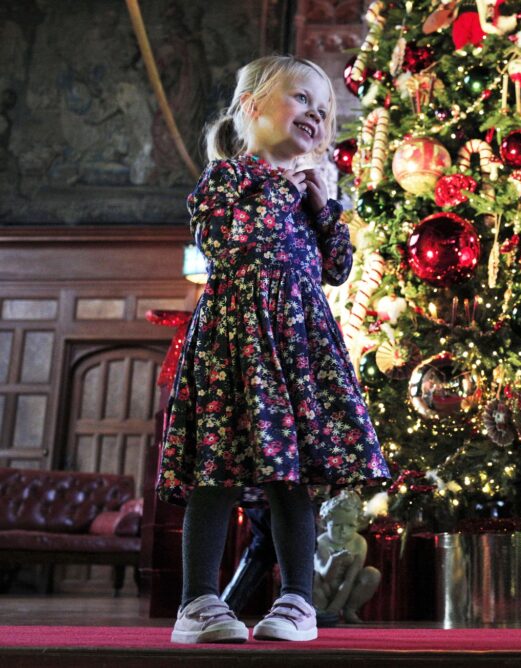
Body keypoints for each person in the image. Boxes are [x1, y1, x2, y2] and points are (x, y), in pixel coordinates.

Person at [157, 55, 390, 644]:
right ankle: (198, 605)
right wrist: (284, 191)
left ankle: (296, 603)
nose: (313, 112)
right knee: (219, 469)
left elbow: (337, 269)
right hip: (234, 344)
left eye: (321, 105)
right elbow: (230, 245)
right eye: (299, 98)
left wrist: (322, 206)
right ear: (252, 107)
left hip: (295, 345)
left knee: (294, 475)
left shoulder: (308, 195)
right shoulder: (228, 180)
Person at [312, 491, 381, 625]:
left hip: (348, 590)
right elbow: (326, 577)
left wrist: (335, 609)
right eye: (337, 525)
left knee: (372, 574)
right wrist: (335, 560)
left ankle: (350, 610)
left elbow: (350, 578)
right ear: (326, 523)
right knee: (312, 577)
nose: (344, 531)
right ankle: (320, 610)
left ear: (358, 523)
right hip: (324, 588)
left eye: (350, 526)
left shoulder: (358, 542)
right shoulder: (322, 542)